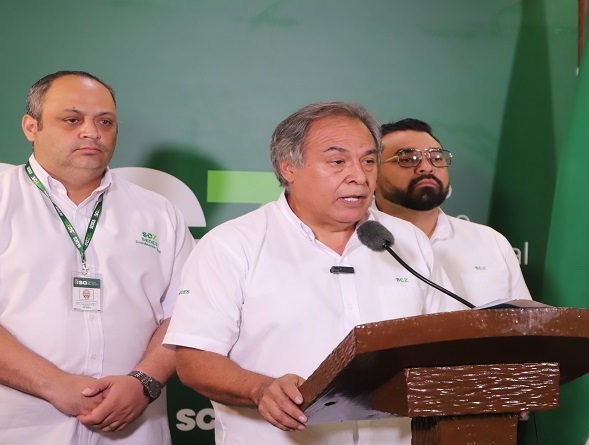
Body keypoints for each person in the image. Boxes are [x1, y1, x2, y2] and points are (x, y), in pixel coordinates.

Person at [0, 70, 195, 444]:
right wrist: (56, 385)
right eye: (72, 120)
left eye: (105, 122)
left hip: (130, 431)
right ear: (31, 127)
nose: (91, 132)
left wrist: (143, 382)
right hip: (5, 434)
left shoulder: (160, 214)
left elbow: (187, 315)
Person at [163, 102, 460, 445]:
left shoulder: (407, 241)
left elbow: (447, 343)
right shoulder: (232, 244)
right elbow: (194, 359)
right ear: (288, 167)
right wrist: (260, 389)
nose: (359, 176)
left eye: (368, 161)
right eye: (337, 162)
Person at [374, 118, 531, 306]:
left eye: (436, 158)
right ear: (372, 173)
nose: (427, 167)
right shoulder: (352, 245)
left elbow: (524, 321)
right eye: (408, 159)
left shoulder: (491, 242)